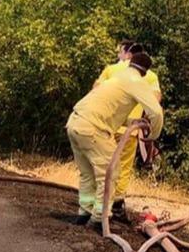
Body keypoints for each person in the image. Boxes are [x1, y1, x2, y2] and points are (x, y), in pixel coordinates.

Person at [66, 51, 164, 226]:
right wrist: (153, 137)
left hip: (75, 122)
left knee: (88, 173)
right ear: (145, 71)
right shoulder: (137, 81)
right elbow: (156, 112)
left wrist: (131, 121)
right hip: (92, 127)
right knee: (111, 172)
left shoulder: (118, 77)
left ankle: (84, 212)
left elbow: (110, 110)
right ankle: (99, 217)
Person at [94, 40, 161, 221]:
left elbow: (96, 90)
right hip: (129, 130)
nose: (118, 56)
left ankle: (97, 203)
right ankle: (116, 205)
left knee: (102, 164)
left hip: (106, 125)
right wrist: (147, 128)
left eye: (120, 52)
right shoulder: (150, 76)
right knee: (123, 167)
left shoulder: (111, 70)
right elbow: (155, 100)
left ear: (128, 54)